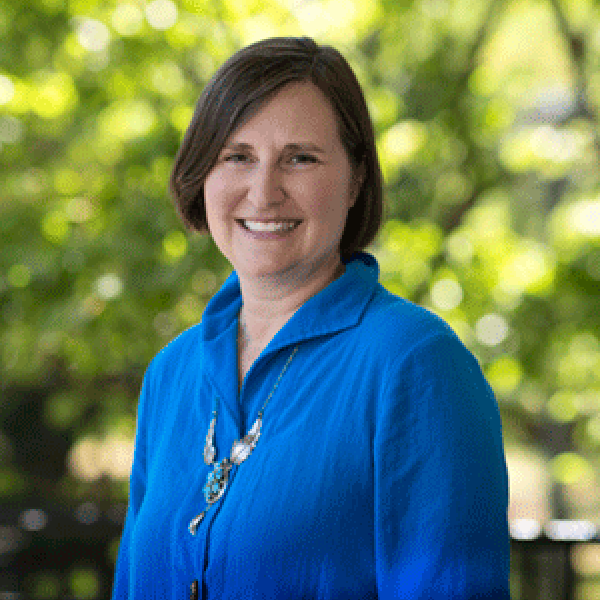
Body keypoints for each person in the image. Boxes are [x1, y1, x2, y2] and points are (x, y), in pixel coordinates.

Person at [111, 36, 511, 599]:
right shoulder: (171, 373)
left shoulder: (416, 365)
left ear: (354, 180)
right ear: (203, 175)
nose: (263, 191)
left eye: (300, 158)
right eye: (237, 156)